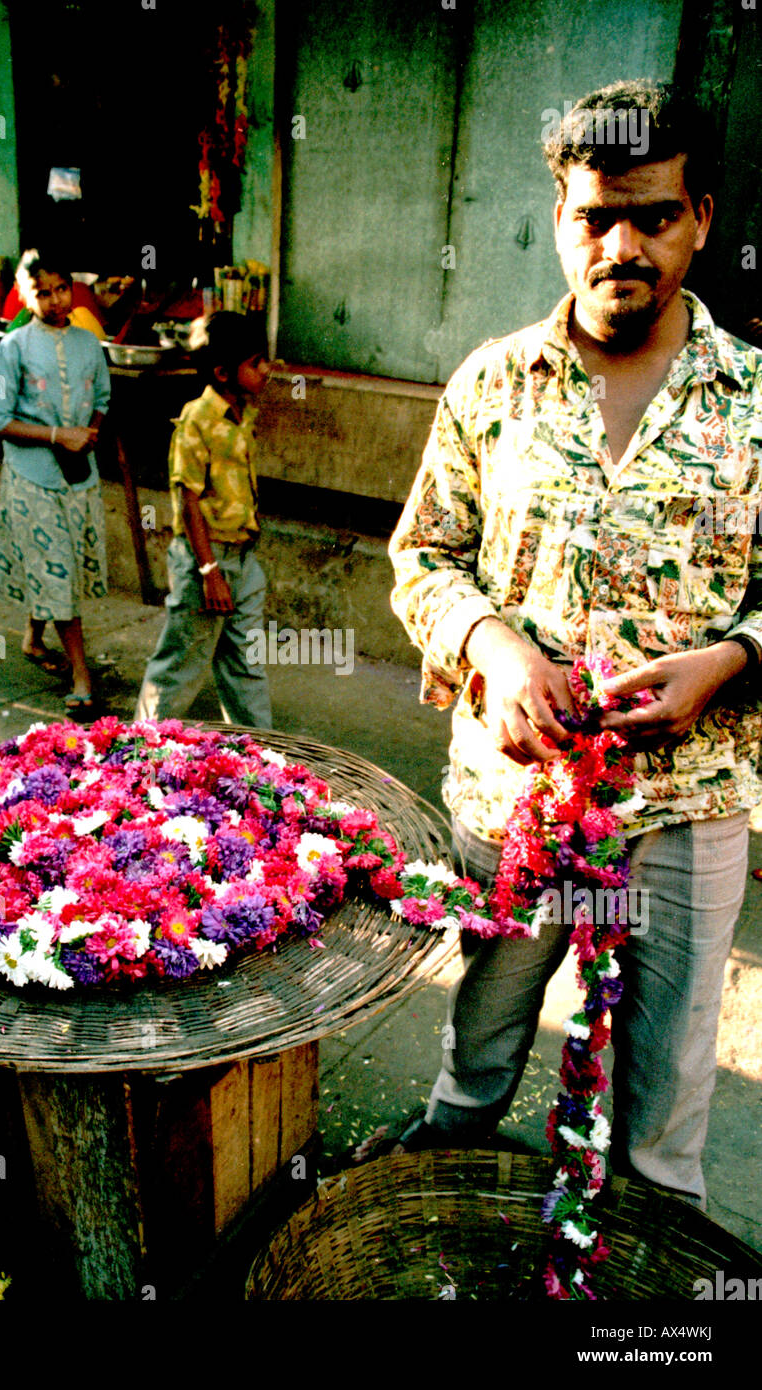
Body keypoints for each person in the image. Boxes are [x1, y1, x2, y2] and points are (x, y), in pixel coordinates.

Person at [387, 80, 762, 1208]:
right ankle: (435, 1201)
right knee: (482, 1044)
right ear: (559, 215)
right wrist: (492, 646)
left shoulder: (753, 402)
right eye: (595, 216)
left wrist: (729, 662)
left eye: (651, 216)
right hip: (515, 806)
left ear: (699, 215)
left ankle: (647, 1273)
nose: (621, 247)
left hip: (685, 810)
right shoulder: (491, 384)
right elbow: (421, 558)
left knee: (662, 1098)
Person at [0, 248, 111, 716]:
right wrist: (59, 435)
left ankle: (33, 639)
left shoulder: (88, 344)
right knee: (56, 567)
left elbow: (102, 393)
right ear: (24, 295)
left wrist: (90, 431)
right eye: (43, 292)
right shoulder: (11, 348)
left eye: (62, 290)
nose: (56, 301)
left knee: (59, 564)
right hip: (32, 477)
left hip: (79, 476)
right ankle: (81, 675)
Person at [135, 311, 273, 727]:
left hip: (243, 560)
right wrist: (209, 571)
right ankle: (140, 752)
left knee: (246, 667)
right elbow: (187, 499)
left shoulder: (242, 414)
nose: (267, 369)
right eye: (256, 363)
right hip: (205, 561)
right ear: (223, 372)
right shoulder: (196, 420)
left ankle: (258, 761)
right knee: (181, 665)